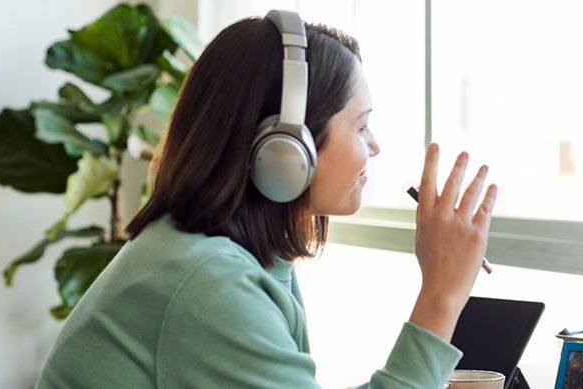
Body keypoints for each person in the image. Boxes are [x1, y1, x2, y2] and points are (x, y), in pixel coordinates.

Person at [37, 11, 497, 388]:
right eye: (360, 126)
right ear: (286, 148)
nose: (373, 146)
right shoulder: (210, 282)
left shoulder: (235, 260)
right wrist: (442, 294)